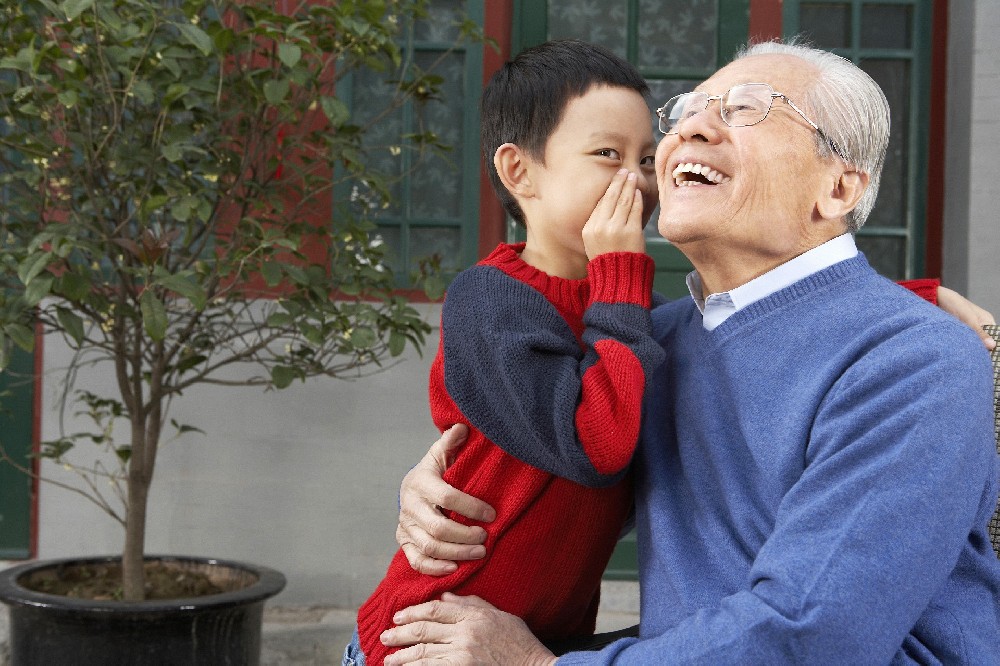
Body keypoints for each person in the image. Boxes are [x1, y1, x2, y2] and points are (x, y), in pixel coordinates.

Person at [379, 40, 1000, 664]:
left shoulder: (916, 360)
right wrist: (445, 493)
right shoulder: (661, 338)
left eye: (746, 109)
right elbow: (574, 466)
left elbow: (810, 634)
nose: (691, 129)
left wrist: (538, 665)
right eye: (687, 112)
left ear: (838, 187)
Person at [345, 39, 668, 666]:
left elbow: (750, 318)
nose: (637, 180)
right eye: (607, 154)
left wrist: (909, 296)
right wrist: (622, 274)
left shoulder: (626, 312)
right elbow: (594, 446)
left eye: (647, 159)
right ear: (520, 171)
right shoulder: (490, 300)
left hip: (535, 646)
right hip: (426, 640)